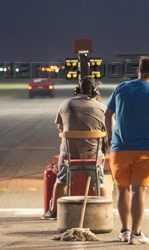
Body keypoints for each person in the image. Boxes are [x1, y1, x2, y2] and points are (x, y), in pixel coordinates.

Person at [103, 56, 149, 245]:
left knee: (122, 190)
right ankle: (136, 233)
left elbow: (107, 114)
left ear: (138, 71)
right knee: (138, 191)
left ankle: (124, 231)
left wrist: (109, 137)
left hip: (120, 149)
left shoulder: (121, 88)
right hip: (146, 150)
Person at [45, 77, 106, 220]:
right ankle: (104, 212)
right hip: (93, 156)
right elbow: (109, 130)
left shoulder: (66, 104)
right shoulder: (102, 108)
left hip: (69, 155)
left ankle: (54, 211)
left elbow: (60, 128)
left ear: (77, 90)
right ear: (95, 92)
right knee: (100, 182)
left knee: (61, 181)